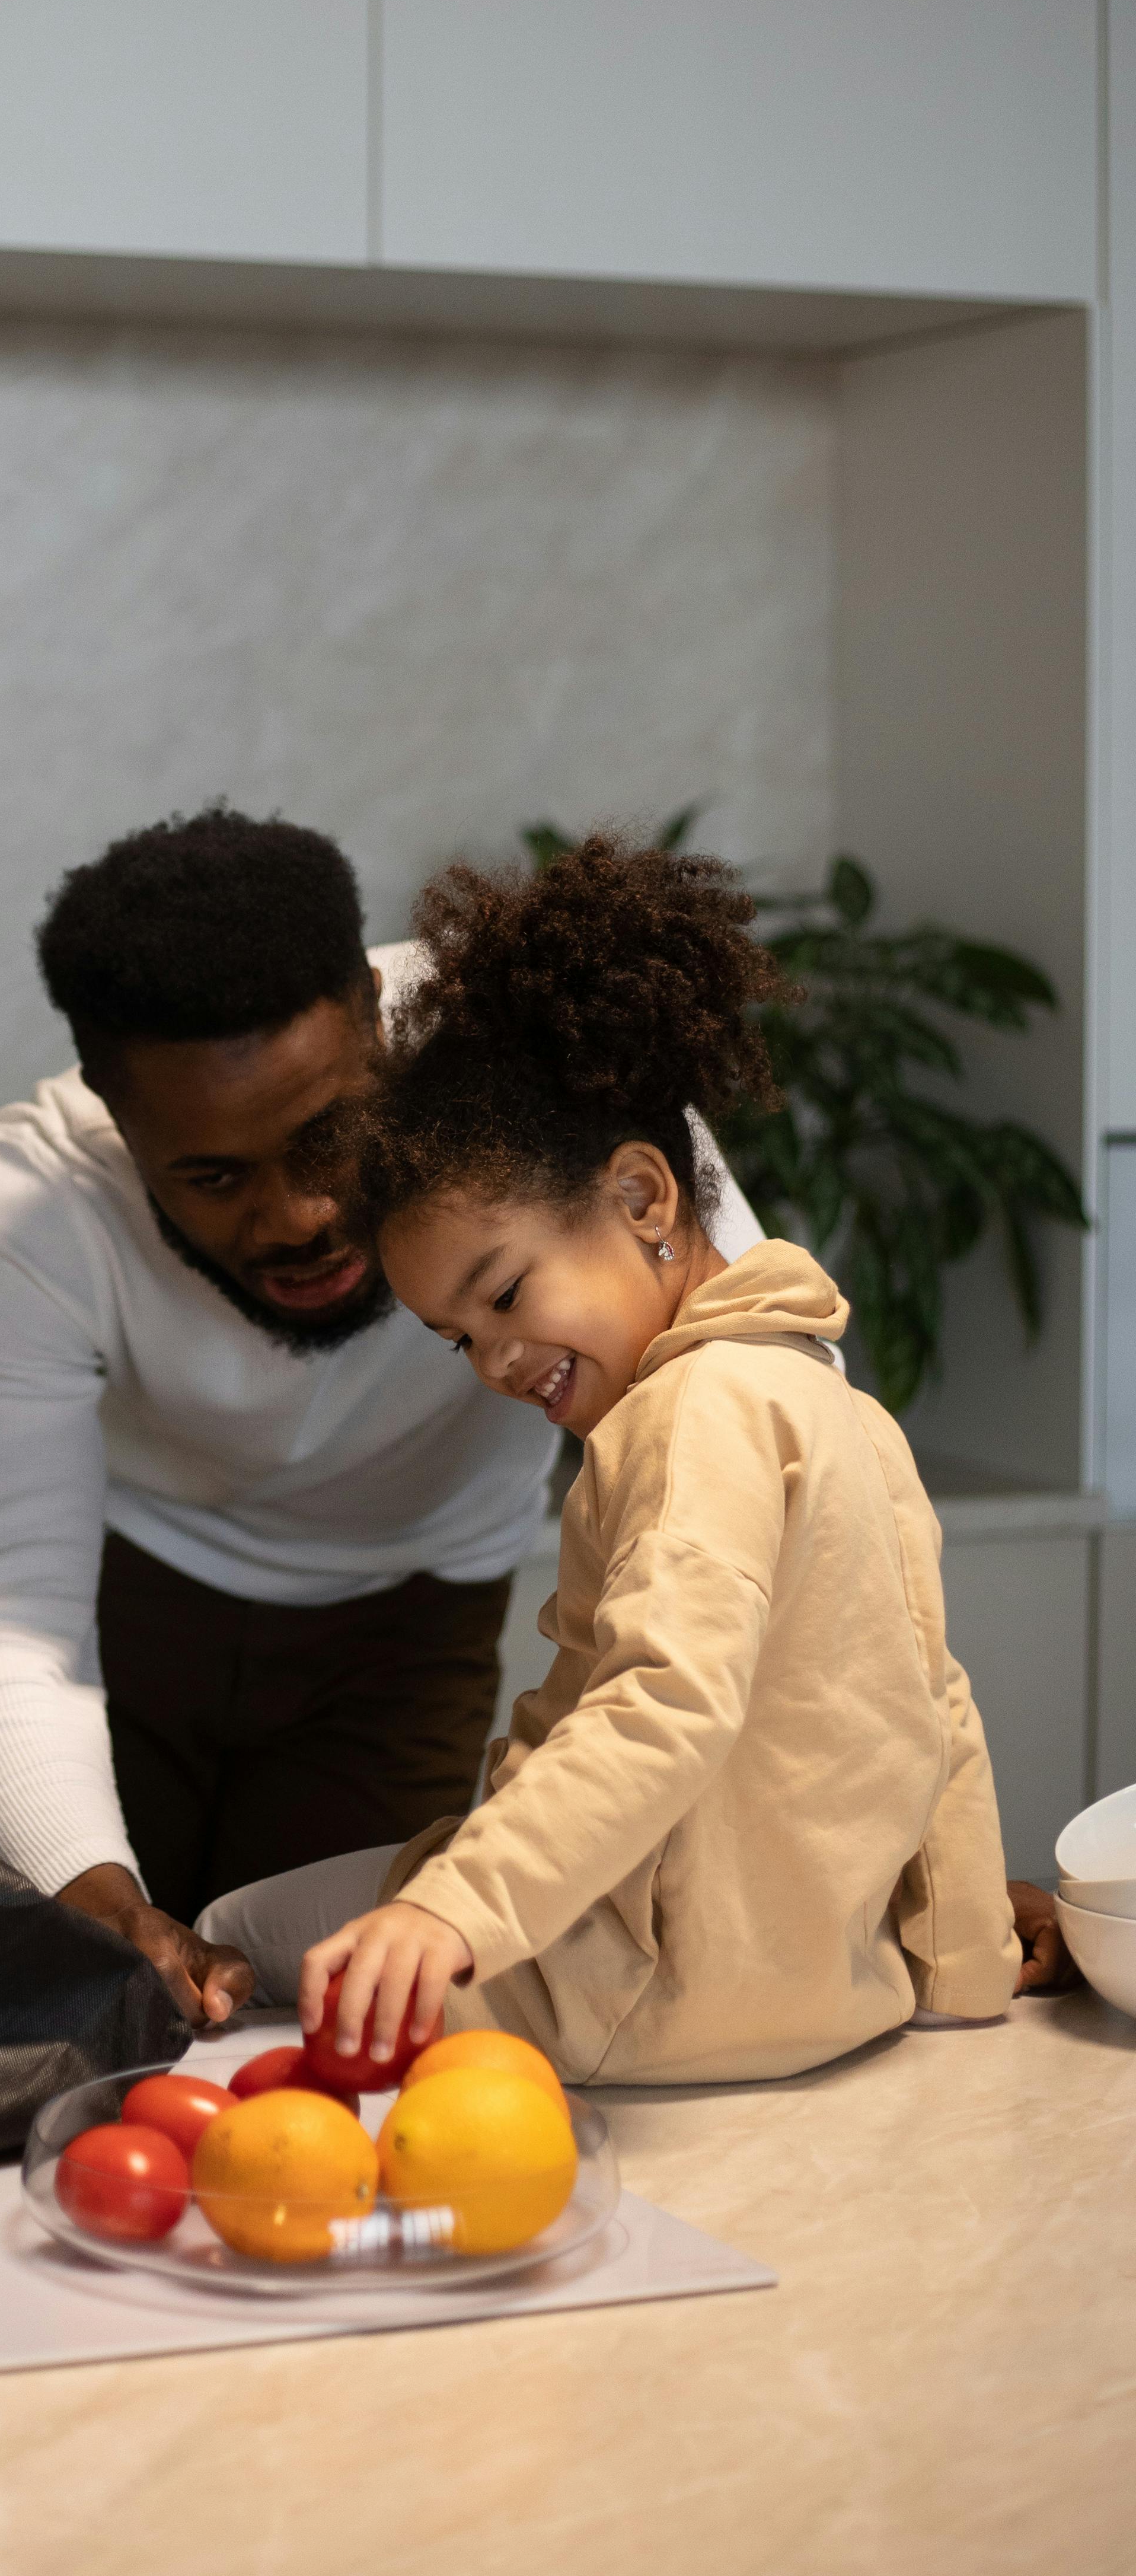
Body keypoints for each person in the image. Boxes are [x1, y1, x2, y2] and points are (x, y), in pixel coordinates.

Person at [0, 805, 773, 2028]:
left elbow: (775, 1411)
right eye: (214, 1177)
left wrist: (906, 1864)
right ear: (115, 1115)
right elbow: (15, 1610)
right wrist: (90, 1894)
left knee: (344, 2025)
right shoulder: (34, 1202)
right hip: (135, 1625)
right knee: (115, 2011)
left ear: (377, 1019)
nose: (300, 1215)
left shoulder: (531, 1068)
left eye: (328, 1135)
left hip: (409, 1625)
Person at [214, 836, 1022, 2082]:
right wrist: (964, 1972)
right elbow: (936, 1700)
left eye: (505, 1293)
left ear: (646, 1197)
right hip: (830, 1995)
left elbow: (661, 1702)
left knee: (237, 1928)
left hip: (638, 2007)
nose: (491, 1362)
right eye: (456, 1339)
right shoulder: (836, 1406)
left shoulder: (690, 1412)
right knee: (392, 1880)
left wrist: (454, 1911)